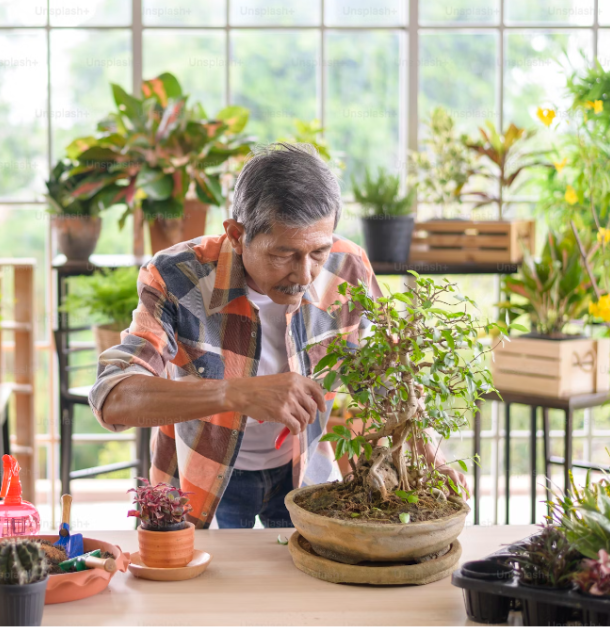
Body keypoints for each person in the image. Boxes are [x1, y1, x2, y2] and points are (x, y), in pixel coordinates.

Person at [88, 143, 467, 529]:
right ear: (236, 235)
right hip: (204, 477)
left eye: (318, 251)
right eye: (283, 255)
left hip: (305, 473)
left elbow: (385, 373)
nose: (305, 275)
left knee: (303, 585)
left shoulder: (348, 267)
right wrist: (234, 393)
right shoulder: (176, 276)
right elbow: (112, 397)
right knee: (212, 585)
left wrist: (428, 453)